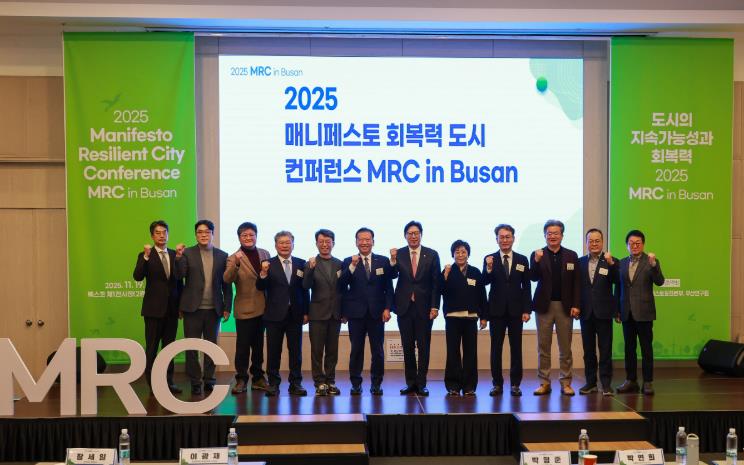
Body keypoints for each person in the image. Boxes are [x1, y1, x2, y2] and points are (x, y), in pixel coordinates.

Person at [174, 220, 232, 395]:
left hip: (214, 309)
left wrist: (227, 306)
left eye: (207, 232)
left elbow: (226, 284)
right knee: (192, 348)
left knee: (211, 347)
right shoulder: (187, 253)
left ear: (212, 234)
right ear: (195, 235)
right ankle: (195, 381)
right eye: (200, 232)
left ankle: (209, 380)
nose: (203, 235)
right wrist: (178, 258)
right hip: (192, 309)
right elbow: (179, 276)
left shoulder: (222, 255)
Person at [338, 227, 394, 396]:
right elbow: (341, 285)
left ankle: (376, 384)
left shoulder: (383, 261)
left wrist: (387, 308)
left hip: (377, 313)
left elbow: (389, 287)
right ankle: (356, 384)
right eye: (360, 239)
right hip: (355, 314)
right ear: (356, 242)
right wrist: (352, 266)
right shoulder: (348, 261)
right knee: (356, 350)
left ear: (373, 242)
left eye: (367, 239)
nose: (364, 242)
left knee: (378, 351)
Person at [530, 219, 581, 396]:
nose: (552, 236)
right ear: (545, 235)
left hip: (565, 307)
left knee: (565, 347)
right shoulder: (537, 254)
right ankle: (544, 382)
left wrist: (576, 304)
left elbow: (576, 282)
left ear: (562, 235)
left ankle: (566, 383)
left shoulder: (571, 255)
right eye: (549, 233)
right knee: (543, 347)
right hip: (543, 306)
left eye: (556, 233)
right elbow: (533, 277)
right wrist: (536, 261)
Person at [391, 220, 441, 396]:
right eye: (410, 234)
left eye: (416, 233)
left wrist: (435, 306)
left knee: (424, 346)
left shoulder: (432, 254)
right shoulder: (399, 254)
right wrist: (392, 260)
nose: (413, 236)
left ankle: (421, 383)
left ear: (421, 235)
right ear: (405, 236)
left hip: (424, 308)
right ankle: (410, 382)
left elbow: (436, 283)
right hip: (404, 307)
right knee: (407, 347)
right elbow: (392, 275)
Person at [256, 231, 309, 397]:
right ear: (275, 245)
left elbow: (305, 290)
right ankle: (273, 384)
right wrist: (263, 273)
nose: (285, 245)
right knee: (273, 352)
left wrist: (306, 312)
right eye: (281, 242)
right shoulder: (268, 264)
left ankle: (296, 383)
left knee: (296, 352)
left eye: (288, 242)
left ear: (293, 244)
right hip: (274, 315)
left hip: (295, 315)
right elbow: (260, 286)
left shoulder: (301, 263)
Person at [132, 220, 182, 394]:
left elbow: (179, 282)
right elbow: (137, 276)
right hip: (153, 310)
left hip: (172, 310)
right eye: (158, 233)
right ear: (152, 236)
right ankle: (153, 384)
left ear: (168, 234)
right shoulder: (145, 255)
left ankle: (169, 382)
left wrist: (180, 307)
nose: (162, 236)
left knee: (169, 349)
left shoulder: (175, 254)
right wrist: (145, 257)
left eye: (164, 232)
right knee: (152, 348)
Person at [481, 224, 532, 397]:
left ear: (513, 239)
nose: (504, 240)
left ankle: (515, 384)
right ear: (496, 239)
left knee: (516, 348)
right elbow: (484, 282)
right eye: (501, 237)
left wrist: (527, 309)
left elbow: (526, 286)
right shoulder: (490, 259)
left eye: (507, 237)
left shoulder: (522, 260)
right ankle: (497, 384)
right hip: (496, 311)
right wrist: (488, 268)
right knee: (496, 349)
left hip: (517, 311)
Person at [616, 229, 665, 395]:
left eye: (638, 243)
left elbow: (660, 281)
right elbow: (619, 288)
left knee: (646, 349)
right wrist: (618, 310)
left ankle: (648, 382)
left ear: (643, 244)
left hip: (644, 313)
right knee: (629, 349)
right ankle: (631, 380)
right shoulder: (622, 263)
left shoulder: (650, 262)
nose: (634, 246)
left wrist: (654, 265)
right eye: (631, 243)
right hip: (626, 312)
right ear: (627, 245)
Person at [223, 222, 270, 394]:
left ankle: (258, 378)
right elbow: (227, 279)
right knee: (242, 347)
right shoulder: (233, 257)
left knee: (258, 346)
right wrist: (236, 263)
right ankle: (241, 379)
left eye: (251, 235)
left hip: (263, 308)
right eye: (245, 235)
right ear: (239, 238)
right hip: (244, 309)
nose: (248, 238)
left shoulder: (265, 253)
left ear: (256, 236)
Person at [441, 240, 486, 397]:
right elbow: (440, 290)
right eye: (457, 252)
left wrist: (484, 317)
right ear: (453, 254)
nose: (460, 255)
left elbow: (482, 295)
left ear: (468, 254)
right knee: (453, 352)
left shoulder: (475, 272)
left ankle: (469, 386)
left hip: (471, 318)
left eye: (463, 252)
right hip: (452, 318)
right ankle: (453, 385)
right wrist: (445, 276)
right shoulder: (447, 271)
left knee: (470, 353)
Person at [302, 229, 344, 396]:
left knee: (332, 351)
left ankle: (330, 380)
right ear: (316, 244)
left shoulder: (340, 263)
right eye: (321, 242)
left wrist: (344, 312)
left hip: (335, 314)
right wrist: (310, 269)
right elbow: (305, 286)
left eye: (328, 241)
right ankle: (319, 382)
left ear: (333, 243)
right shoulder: (310, 263)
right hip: (317, 314)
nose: (325, 244)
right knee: (317, 351)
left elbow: (343, 289)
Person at [577, 228, 618, 396]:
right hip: (585, 312)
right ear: (586, 243)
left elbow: (618, 283)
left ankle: (606, 384)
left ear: (602, 242)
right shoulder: (580, 262)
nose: (594, 244)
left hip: (604, 312)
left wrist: (611, 264)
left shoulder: (611, 261)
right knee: (588, 351)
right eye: (591, 241)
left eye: (597, 241)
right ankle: (591, 383)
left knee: (605, 349)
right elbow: (576, 287)